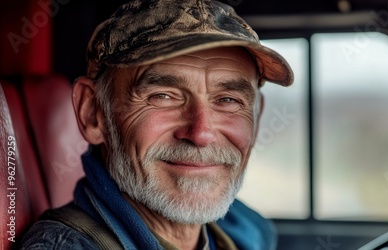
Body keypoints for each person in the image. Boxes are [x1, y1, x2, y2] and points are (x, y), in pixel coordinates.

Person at [20, 0, 293, 249]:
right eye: (162, 96)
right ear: (93, 113)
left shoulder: (244, 230)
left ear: (256, 120)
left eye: (228, 100)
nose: (201, 133)